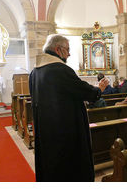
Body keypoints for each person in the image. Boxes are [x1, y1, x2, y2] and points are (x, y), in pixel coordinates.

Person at [29, 34, 109, 182]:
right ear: (58, 49)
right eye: (67, 50)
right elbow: (82, 90)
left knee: (50, 165)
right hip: (64, 131)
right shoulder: (59, 69)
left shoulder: (35, 72)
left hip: (45, 129)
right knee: (67, 168)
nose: (69, 53)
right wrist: (99, 89)